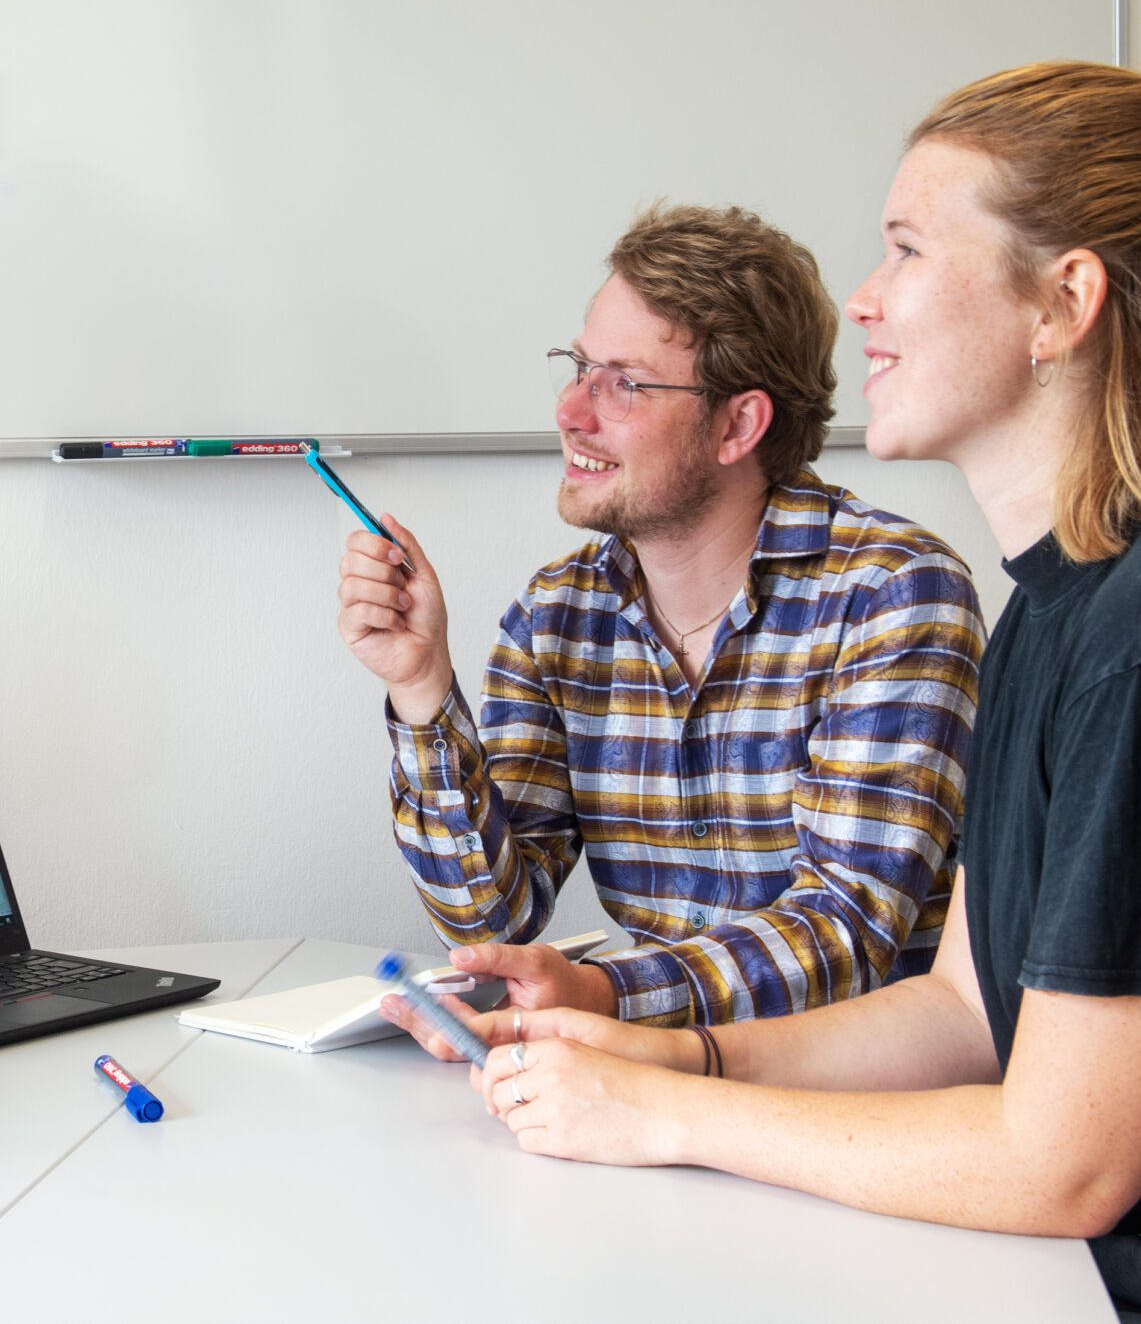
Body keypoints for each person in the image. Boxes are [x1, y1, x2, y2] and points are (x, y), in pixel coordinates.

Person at [411, 62, 1141, 1324]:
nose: (862, 301)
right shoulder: (1061, 602)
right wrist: (674, 1053)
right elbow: (964, 1014)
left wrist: (665, 1109)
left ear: (1062, 303)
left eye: (907, 250)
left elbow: (1062, 1163)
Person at [337, 204, 983, 1028]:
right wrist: (423, 689)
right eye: (578, 365)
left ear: (738, 424)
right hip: (648, 1086)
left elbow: (847, 936)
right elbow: (490, 921)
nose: (572, 410)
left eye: (625, 382)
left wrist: (605, 994)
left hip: (849, 1107)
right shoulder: (556, 616)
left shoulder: (894, 596)